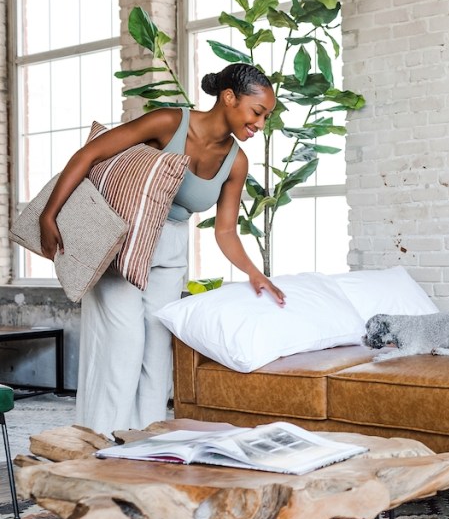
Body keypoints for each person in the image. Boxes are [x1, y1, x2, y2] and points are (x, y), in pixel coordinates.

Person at [40, 63, 286, 435]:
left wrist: (255, 273)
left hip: (169, 254)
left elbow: (225, 231)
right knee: (123, 347)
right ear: (229, 98)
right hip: (123, 245)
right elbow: (90, 154)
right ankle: (103, 443)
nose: (261, 124)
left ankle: (144, 446)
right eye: (257, 113)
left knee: (156, 357)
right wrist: (49, 215)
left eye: (266, 116)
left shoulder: (236, 161)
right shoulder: (169, 122)